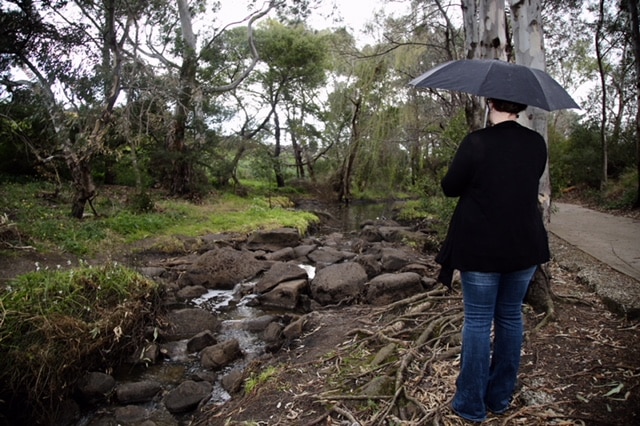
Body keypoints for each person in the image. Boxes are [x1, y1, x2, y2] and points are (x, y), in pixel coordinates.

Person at [435, 98, 551, 423]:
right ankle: (500, 398)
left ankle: (471, 406)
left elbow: (449, 187)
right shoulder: (535, 143)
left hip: (481, 247)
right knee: (511, 317)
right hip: (524, 246)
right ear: (521, 105)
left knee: (477, 321)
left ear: (489, 103)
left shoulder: (477, 142)